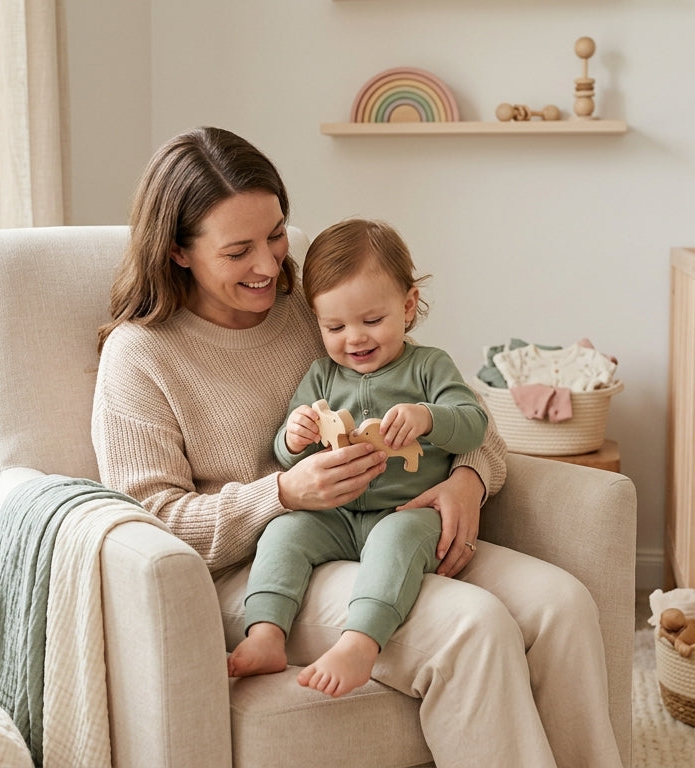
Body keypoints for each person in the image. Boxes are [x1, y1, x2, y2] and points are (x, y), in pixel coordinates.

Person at [92, 126, 622, 768]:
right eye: (238, 251)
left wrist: (467, 482)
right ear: (178, 251)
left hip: (394, 520)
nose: (269, 267)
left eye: (276, 235)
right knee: (472, 626)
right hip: (262, 568)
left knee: (562, 605)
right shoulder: (140, 355)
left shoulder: (312, 304)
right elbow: (150, 522)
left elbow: (461, 413)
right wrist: (283, 493)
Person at [228, 218, 488, 697]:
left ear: (407, 306)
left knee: (394, 540)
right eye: (335, 327)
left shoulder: (428, 366)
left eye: (372, 321)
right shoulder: (321, 375)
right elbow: (285, 455)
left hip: (408, 512)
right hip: (336, 515)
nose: (355, 339)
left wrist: (428, 417)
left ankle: (360, 643)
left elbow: (475, 422)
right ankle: (265, 633)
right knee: (283, 532)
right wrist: (294, 437)